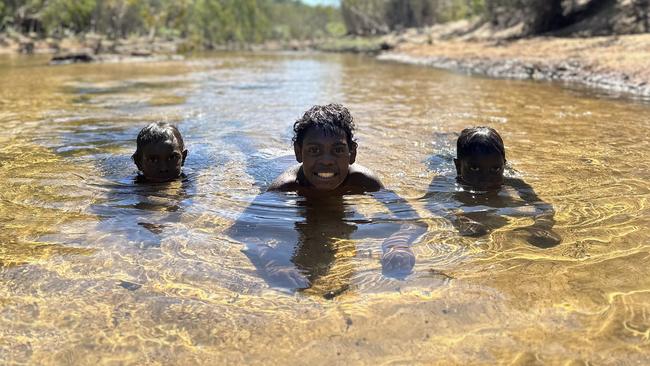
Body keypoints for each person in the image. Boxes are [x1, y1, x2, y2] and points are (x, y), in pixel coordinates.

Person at [229, 104, 424, 293]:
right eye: (314, 150)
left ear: (352, 153)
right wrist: (271, 262)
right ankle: (237, 137)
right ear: (298, 152)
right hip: (271, 163)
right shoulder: (285, 186)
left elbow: (414, 221)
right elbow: (239, 231)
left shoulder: (363, 181)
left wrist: (398, 243)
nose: (326, 160)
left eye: (338, 150)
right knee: (250, 156)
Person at [426, 126, 561, 248]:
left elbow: (543, 207)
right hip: (440, 161)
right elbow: (432, 203)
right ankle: (441, 136)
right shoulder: (445, 180)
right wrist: (456, 220)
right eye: (474, 168)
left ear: (504, 165)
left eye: (495, 169)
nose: (486, 178)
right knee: (439, 154)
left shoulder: (513, 181)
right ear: (458, 167)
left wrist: (542, 226)